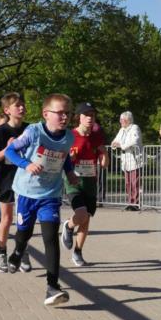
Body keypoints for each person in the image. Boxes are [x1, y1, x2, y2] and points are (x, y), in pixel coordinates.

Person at [4, 93, 80, 306]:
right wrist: (26, 164)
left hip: (50, 195)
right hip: (27, 192)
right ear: (46, 114)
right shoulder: (33, 132)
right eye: (60, 113)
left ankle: (52, 286)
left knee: (50, 237)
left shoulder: (69, 137)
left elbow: (64, 159)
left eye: (67, 113)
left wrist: (71, 172)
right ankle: (17, 252)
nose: (64, 117)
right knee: (24, 233)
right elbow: (10, 151)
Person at [0, 93, 30, 273]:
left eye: (23, 105)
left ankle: (21, 251)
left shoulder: (30, 129)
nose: (22, 108)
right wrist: (9, 148)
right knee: (7, 218)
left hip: (26, 179)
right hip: (6, 179)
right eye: (17, 105)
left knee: (25, 219)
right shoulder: (1, 131)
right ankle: (1, 252)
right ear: (7, 110)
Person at [60, 102, 107, 267]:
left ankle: (78, 252)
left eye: (92, 115)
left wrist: (103, 156)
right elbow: (62, 155)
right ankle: (68, 225)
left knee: (86, 220)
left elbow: (103, 159)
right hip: (74, 182)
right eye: (86, 115)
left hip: (90, 182)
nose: (90, 118)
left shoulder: (96, 136)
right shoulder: (69, 135)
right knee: (81, 214)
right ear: (79, 117)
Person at [110, 111, 143, 210]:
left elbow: (134, 141)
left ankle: (136, 204)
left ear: (128, 120)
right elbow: (115, 141)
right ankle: (130, 202)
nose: (120, 122)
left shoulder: (134, 128)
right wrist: (114, 144)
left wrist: (122, 145)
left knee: (135, 183)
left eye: (122, 120)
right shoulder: (122, 130)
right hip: (125, 160)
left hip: (134, 159)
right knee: (128, 183)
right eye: (120, 120)